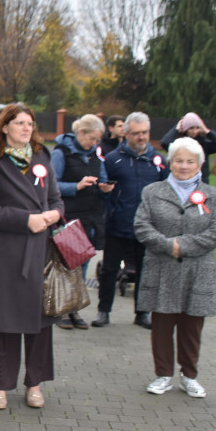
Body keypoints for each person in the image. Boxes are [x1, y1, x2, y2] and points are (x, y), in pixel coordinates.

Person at [0, 103, 63, 410]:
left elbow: (56, 201)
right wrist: (27, 219)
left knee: (39, 322)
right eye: (20, 123)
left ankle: (34, 383)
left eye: (30, 123)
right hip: (5, 253)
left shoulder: (42, 156)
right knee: (3, 320)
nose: (27, 128)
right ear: (5, 127)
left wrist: (50, 216)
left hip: (40, 250)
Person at [135, 137, 216, 398]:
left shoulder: (213, 196)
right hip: (162, 268)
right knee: (162, 325)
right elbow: (142, 227)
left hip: (197, 272)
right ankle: (163, 375)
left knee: (192, 327)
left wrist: (183, 246)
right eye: (178, 160)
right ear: (170, 162)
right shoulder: (152, 192)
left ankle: (190, 376)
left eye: (190, 161)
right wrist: (168, 245)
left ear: (200, 164)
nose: (184, 166)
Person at [92, 111, 168, 330]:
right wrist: (105, 191)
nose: (141, 137)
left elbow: (166, 191)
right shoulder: (113, 159)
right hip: (118, 224)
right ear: (125, 133)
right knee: (109, 269)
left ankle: (142, 313)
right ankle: (103, 311)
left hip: (147, 227)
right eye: (136, 133)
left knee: (145, 270)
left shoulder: (158, 161)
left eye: (144, 133)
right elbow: (103, 189)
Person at [51, 114, 114, 329]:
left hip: (92, 217)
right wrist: (76, 186)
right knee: (68, 264)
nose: (95, 144)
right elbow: (52, 185)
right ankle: (62, 310)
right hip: (70, 217)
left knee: (83, 265)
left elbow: (103, 178)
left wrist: (106, 188)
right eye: (92, 139)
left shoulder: (96, 155)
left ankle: (74, 308)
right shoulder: (61, 153)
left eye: (98, 140)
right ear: (81, 133)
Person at [159, 112, 216, 183]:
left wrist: (206, 131)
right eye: (191, 128)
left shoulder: (203, 144)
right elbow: (164, 143)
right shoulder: (178, 144)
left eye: (197, 128)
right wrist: (176, 128)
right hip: (180, 181)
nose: (194, 131)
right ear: (185, 129)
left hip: (201, 182)